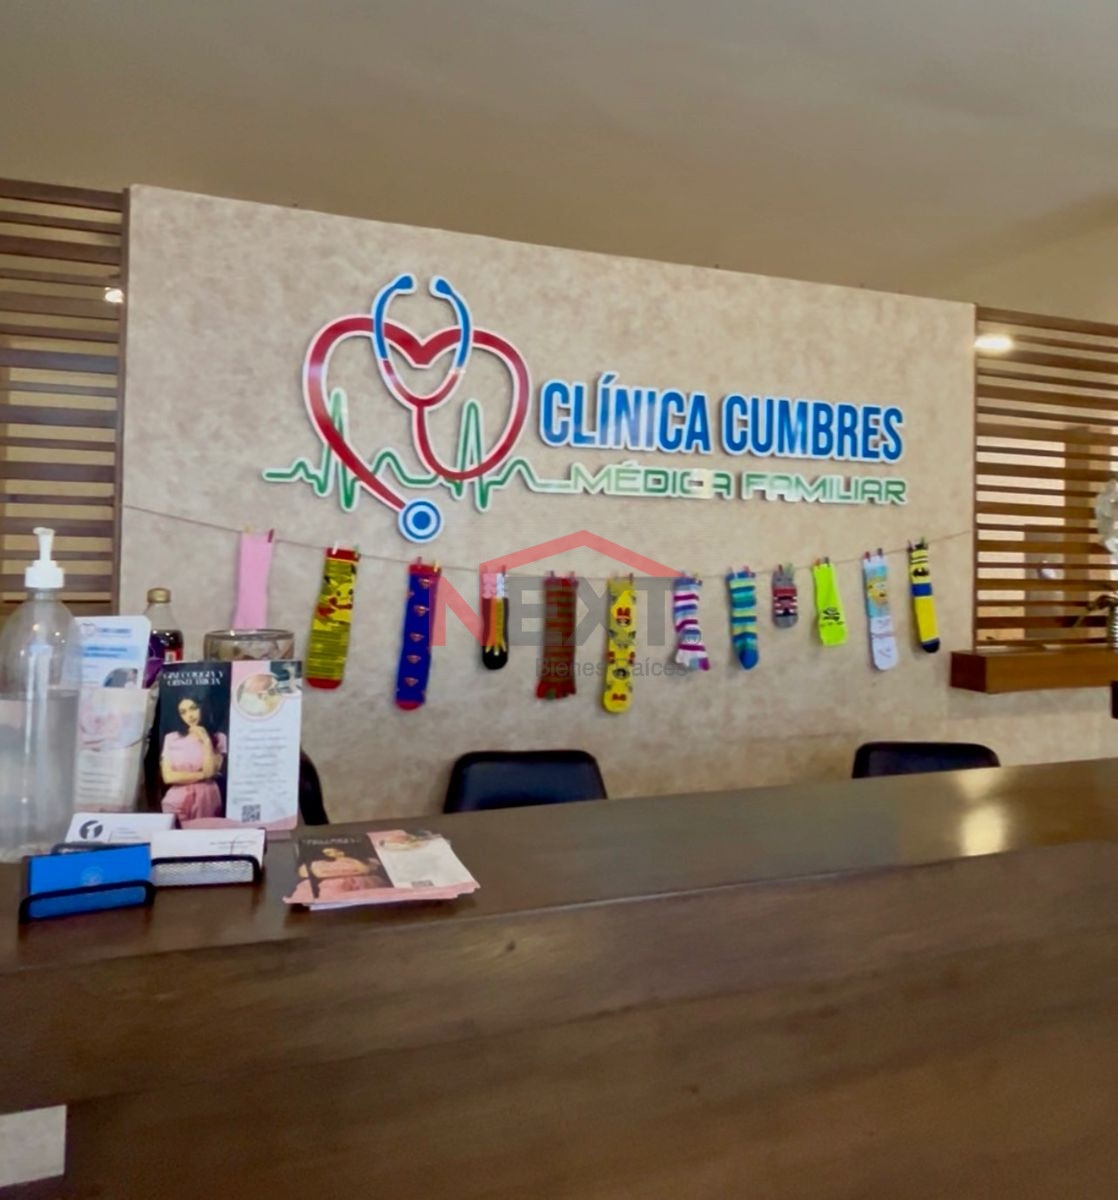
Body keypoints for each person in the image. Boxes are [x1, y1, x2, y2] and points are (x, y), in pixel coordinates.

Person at [160, 694, 226, 820]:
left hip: (207, 799)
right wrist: (203, 775)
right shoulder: (171, 738)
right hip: (176, 800)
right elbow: (168, 777)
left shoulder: (219, 737)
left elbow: (210, 770)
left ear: (202, 707)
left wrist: (206, 740)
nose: (189, 716)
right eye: (183, 712)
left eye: (193, 708)